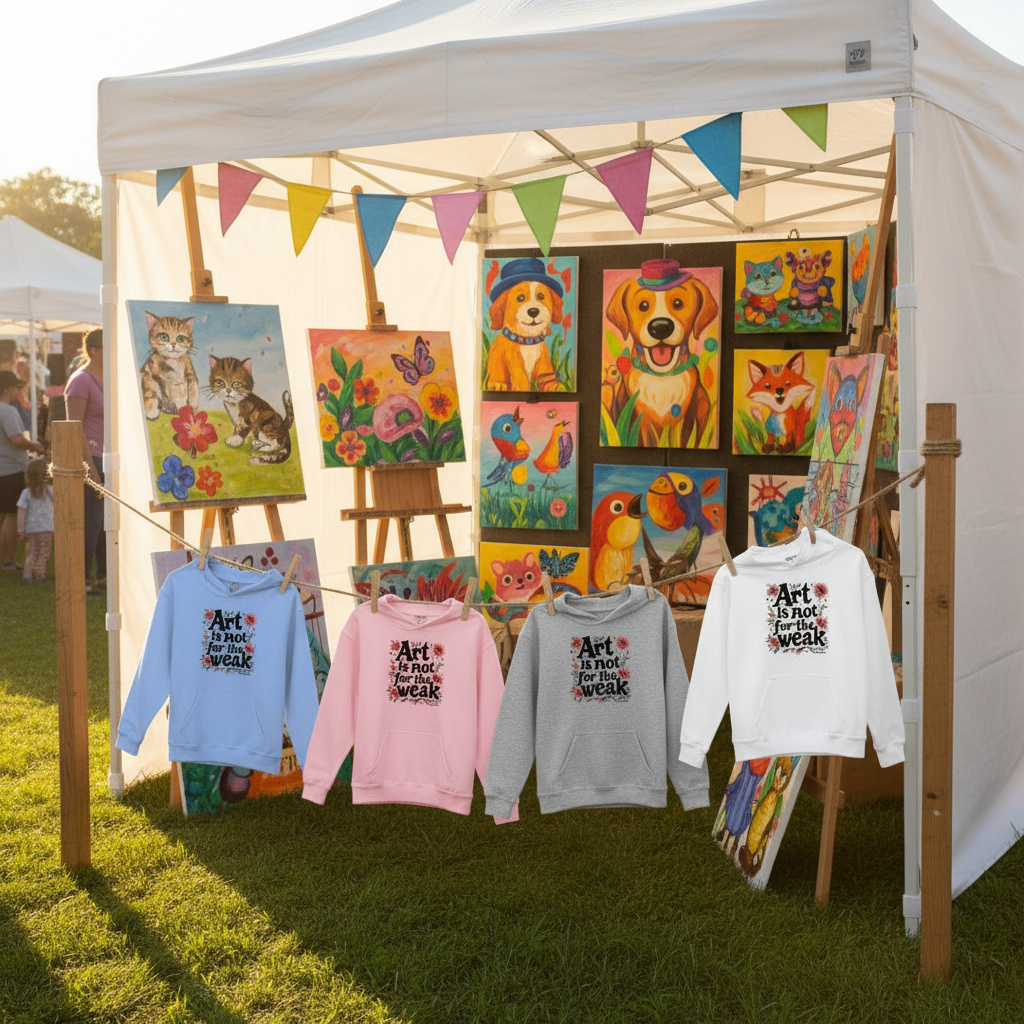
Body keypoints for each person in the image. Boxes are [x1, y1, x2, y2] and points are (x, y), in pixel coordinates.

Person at [64, 329, 105, 592]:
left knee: (106, 523)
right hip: (91, 459)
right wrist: (90, 470)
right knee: (90, 523)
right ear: (93, 349)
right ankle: (81, 581)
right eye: (108, 345)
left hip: (110, 458)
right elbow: (73, 428)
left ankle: (103, 575)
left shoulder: (111, 377)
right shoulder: (80, 380)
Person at [0, 369, 46, 570]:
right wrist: (37, 446)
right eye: (16, 387)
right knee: (10, 515)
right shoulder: (7, 410)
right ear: (7, 388)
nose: (18, 391)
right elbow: (16, 439)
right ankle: (10, 560)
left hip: (3, 469)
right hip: (10, 470)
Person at [17, 458, 54, 582]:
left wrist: (20, 529)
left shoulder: (26, 492)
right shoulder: (50, 491)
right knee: (43, 552)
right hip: (46, 528)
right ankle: (40, 576)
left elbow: (21, 511)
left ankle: (27, 575)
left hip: (31, 528)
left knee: (33, 552)